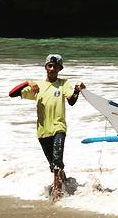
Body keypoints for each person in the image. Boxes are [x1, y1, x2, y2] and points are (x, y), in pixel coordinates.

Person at [19, 54, 85, 199]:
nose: (52, 69)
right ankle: (66, 183)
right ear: (45, 67)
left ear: (60, 68)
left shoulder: (64, 83)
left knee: (57, 162)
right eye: (50, 66)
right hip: (42, 132)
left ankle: (57, 193)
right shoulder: (38, 86)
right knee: (54, 165)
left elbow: (71, 101)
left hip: (58, 128)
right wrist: (28, 82)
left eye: (55, 66)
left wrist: (77, 91)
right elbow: (12, 93)